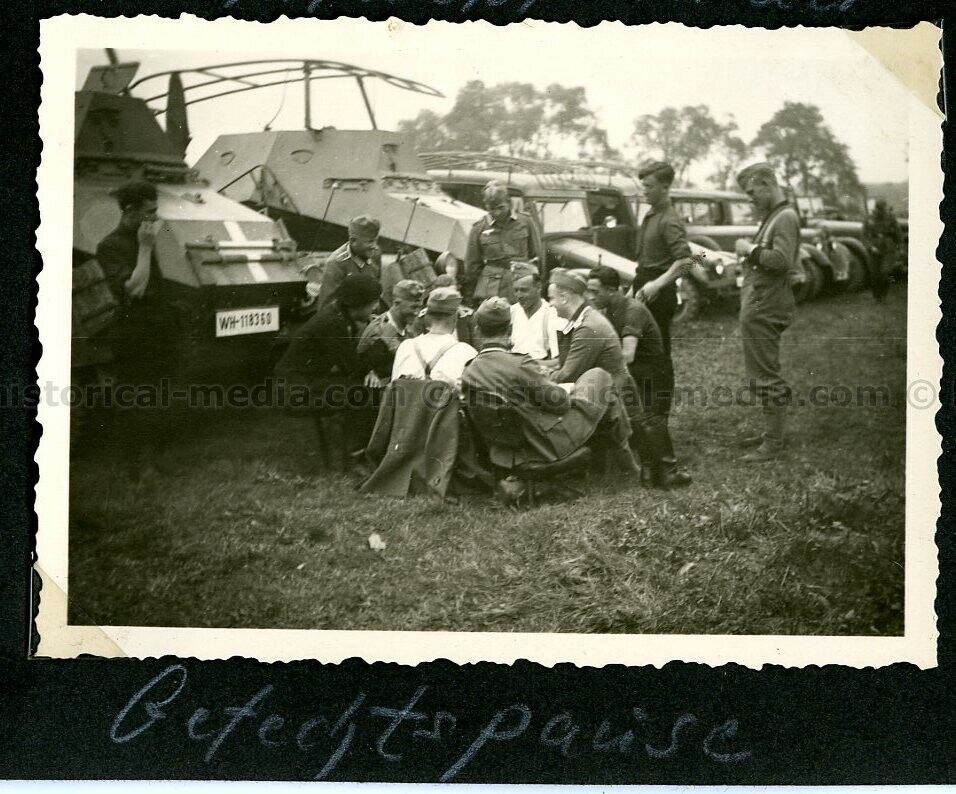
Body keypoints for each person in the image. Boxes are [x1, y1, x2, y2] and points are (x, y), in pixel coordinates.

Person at [462, 297, 639, 475]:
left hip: (505, 448)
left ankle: (621, 460)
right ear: (510, 328)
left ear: (477, 330)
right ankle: (625, 456)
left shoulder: (470, 370)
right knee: (600, 376)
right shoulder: (520, 364)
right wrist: (562, 387)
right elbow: (560, 404)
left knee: (605, 392)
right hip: (545, 442)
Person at [95, 179, 174, 481]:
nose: (155, 218)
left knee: (158, 396)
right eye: (150, 212)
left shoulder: (144, 236)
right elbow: (133, 290)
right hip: (133, 331)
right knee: (134, 400)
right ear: (130, 211)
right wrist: (144, 248)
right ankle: (135, 467)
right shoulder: (111, 245)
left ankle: (152, 460)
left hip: (156, 326)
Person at [586, 266, 691, 488]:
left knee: (652, 419)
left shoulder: (633, 310)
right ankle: (650, 471)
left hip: (651, 370)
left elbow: (628, 354)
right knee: (640, 420)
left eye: (596, 291)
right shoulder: (609, 311)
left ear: (613, 290)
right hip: (634, 371)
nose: (591, 296)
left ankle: (667, 471)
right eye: (589, 291)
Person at [275, 273, 383, 466]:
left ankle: (360, 449)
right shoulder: (333, 323)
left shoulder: (338, 315)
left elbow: (351, 362)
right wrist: (381, 344)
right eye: (372, 303)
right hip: (296, 391)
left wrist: (370, 370)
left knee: (364, 389)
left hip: (304, 382)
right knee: (364, 393)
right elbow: (352, 367)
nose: (375, 308)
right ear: (357, 303)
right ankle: (357, 454)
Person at [734, 162, 799, 462]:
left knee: (765, 375)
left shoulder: (784, 217)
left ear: (766, 184)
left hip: (766, 306)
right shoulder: (774, 216)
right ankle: (773, 434)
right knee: (760, 373)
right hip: (760, 303)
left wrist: (749, 249)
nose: (750, 199)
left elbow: (782, 261)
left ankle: (774, 442)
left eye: (751, 192)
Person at [462, 181, 541, 306]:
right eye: (492, 209)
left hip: (522, 284)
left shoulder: (525, 222)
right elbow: (472, 266)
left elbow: (536, 255)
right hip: (492, 289)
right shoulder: (479, 229)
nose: (497, 213)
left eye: (501, 207)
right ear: (486, 207)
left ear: (509, 203)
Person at [392, 286, 478, 392]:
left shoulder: (406, 346)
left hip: (407, 407)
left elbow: (393, 390)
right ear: (455, 318)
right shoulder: (467, 352)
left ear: (426, 317)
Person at [357, 279, 425, 386]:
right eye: (413, 307)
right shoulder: (378, 330)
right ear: (396, 303)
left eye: (419, 307)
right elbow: (362, 367)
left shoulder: (408, 329)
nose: (417, 312)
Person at [315, 215, 383, 312]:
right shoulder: (336, 264)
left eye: (376, 240)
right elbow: (326, 309)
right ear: (353, 240)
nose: (375, 246)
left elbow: (377, 288)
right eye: (369, 241)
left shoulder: (375, 253)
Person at [509, 261, 560, 362]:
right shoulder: (512, 311)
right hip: (512, 366)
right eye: (516, 290)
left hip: (540, 368)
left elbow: (557, 362)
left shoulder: (551, 314)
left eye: (524, 290)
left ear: (538, 287)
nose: (519, 295)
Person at [862, 199, 903, 302]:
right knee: (875, 274)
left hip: (888, 247)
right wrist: (870, 246)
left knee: (885, 272)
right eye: (879, 209)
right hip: (874, 247)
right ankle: (877, 296)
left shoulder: (891, 217)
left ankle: (883, 295)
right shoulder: (869, 218)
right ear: (876, 209)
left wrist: (900, 248)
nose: (881, 212)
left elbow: (898, 233)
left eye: (883, 209)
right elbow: (864, 235)